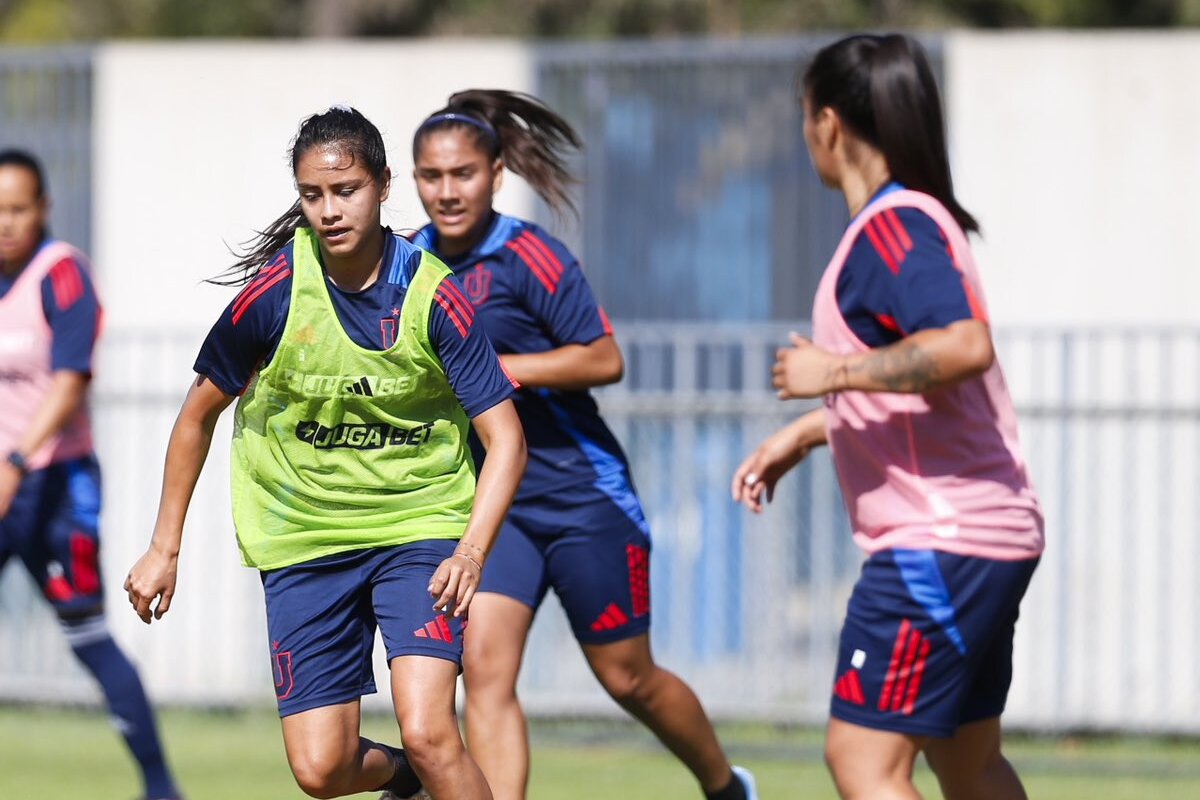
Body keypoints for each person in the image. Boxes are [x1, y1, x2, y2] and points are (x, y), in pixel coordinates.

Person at [124, 106, 527, 800]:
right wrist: (164, 547)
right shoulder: (274, 297)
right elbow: (197, 416)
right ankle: (405, 779)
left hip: (418, 527)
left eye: (346, 191)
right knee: (320, 770)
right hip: (303, 537)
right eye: (313, 195)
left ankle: (428, 766)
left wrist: (470, 550)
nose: (330, 209)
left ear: (382, 186)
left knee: (432, 732)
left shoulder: (433, 297)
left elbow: (506, 439)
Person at [409, 90, 756, 800]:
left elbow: (604, 358)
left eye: (463, 175)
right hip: (496, 508)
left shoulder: (530, 255)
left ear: (496, 173)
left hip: (581, 497)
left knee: (627, 676)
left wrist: (506, 372)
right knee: (484, 666)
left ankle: (726, 787)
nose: (447, 192)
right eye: (431, 176)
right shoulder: (411, 263)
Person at [732, 34, 1044, 800]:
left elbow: (964, 347)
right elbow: (926, 397)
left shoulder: (892, 228)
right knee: (968, 765)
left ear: (829, 124)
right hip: (985, 537)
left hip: (936, 547)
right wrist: (812, 431)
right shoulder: (911, 220)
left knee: (863, 762)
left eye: (805, 116)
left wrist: (827, 374)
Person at [0, 149, 183, 800]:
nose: (6, 223)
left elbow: (71, 380)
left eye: (18, 208)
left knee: (89, 637)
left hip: (55, 487)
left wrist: (15, 463)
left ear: (43, 209)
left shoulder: (62, 275)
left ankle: (161, 786)